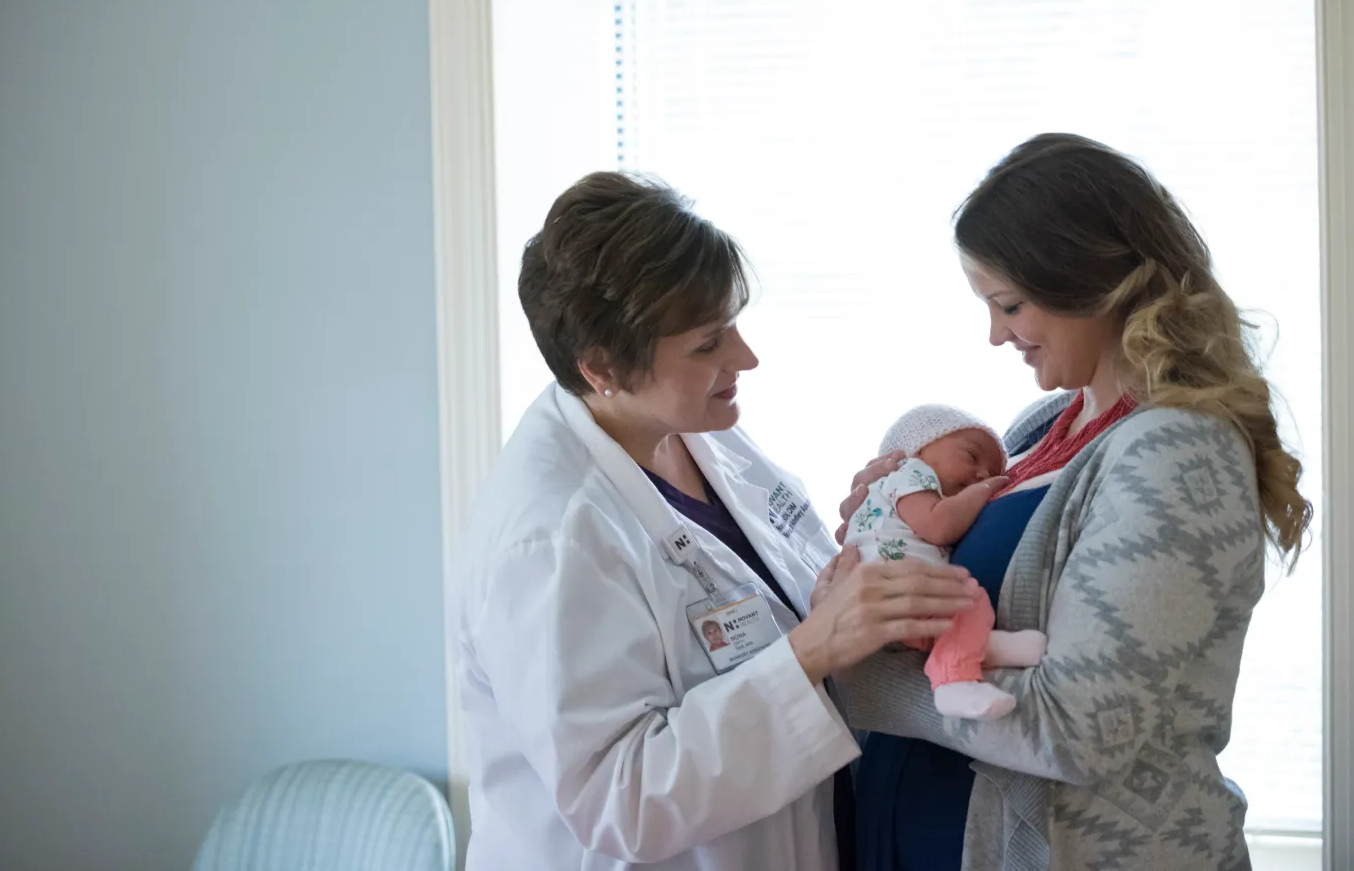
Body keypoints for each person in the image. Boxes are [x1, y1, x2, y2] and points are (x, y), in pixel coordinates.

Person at [453, 172, 980, 871]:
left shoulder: (698, 431)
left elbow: (760, 606)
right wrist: (812, 649)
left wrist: (848, 573)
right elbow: (621, 798)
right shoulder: (550, 537)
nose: (746, 358)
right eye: (708, 344)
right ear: (602, 365)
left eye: (732, 325)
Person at [820, 134, 1313, 871]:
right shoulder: (1043, 431)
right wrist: (889, 536)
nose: (995, 335)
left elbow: (1080, 729)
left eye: (1010, 304)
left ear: (1092, 281)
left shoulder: (1177, 453)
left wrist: (853, 671)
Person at [842, 405, 1046, 720]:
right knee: (967, 596)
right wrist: (985, 490)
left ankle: (982, 647)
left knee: (951, 615)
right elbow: (939, 526)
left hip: (890, 597)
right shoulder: (910, 471)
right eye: (972, 456)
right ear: (920, 449)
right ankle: (954, 681)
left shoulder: (908, 486)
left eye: (991, 472)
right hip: (895, 586)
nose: (983, 474)